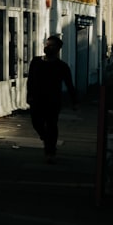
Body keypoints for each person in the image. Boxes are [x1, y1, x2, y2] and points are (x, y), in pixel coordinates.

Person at [26, 35, 77, 163]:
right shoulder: (36, 61)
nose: (47, 47)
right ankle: (45, 137)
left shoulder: (62, 66)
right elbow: (30, 80)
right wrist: (29, 95)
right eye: (46, 44)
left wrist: (74, 101)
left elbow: (69, 84)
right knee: (36, 122)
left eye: (51, 45)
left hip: (53, 100)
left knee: (52, 125)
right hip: (36, 99)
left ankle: (50, 151)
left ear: (58, 48)